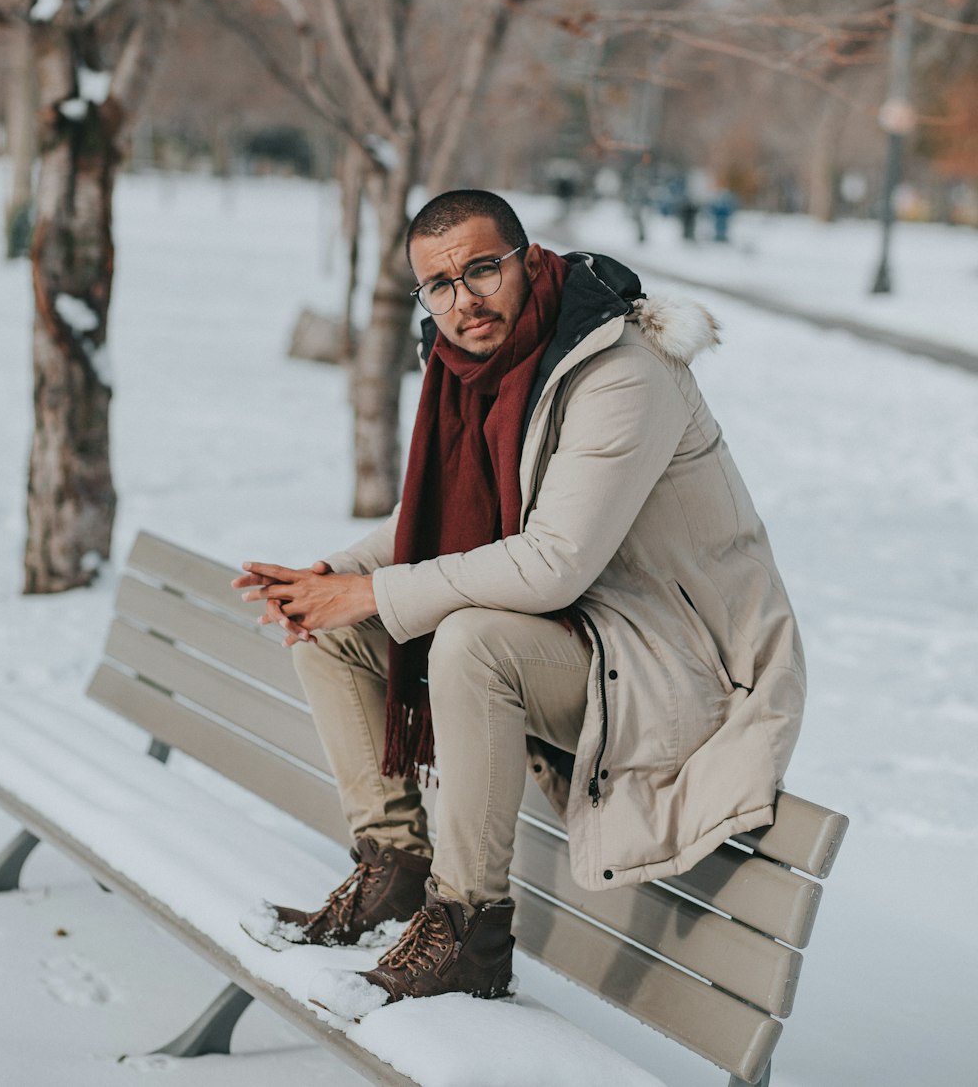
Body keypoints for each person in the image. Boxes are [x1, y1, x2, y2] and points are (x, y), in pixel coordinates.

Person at [233, 188, 804, 1011]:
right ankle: (393, 872)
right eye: (438, 284)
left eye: (481, 270)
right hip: (590, 644)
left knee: (470, 643)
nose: (462, 300)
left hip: (684, 669)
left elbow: (553, 566)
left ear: (528, 260)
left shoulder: (619, 371)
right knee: (333, 633)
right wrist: (324, 582)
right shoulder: (479, 373)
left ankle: (467, 930)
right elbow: (433, 526)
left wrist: (369, 591)